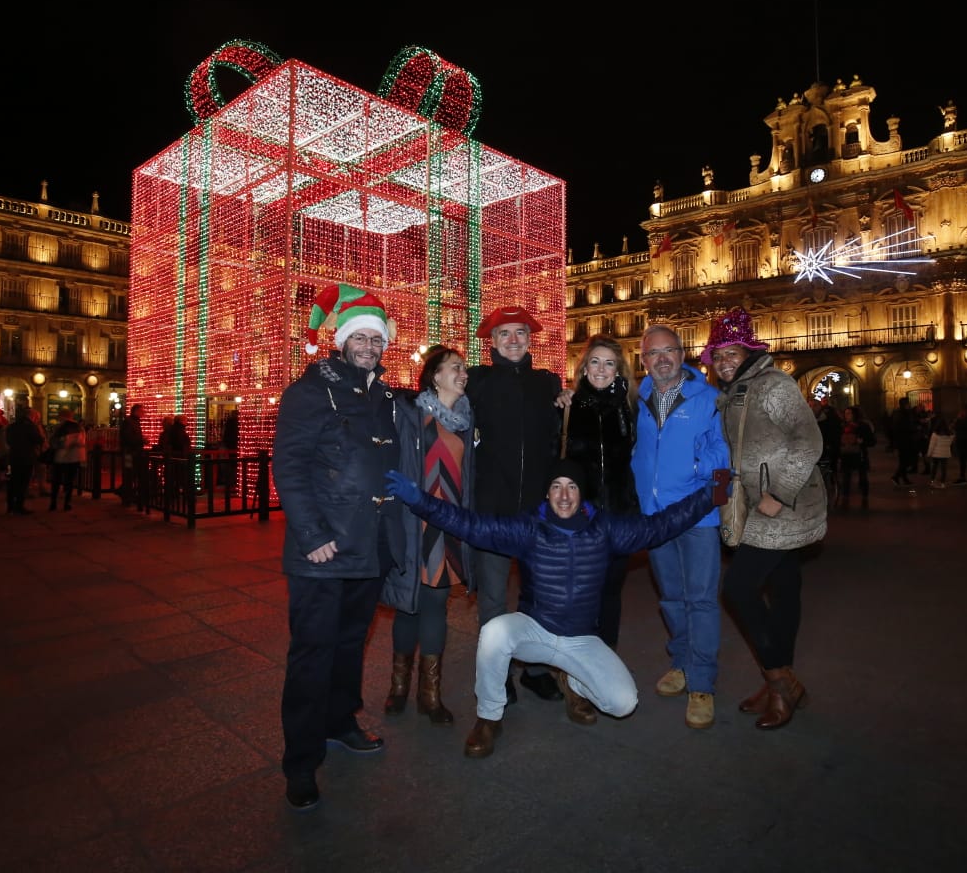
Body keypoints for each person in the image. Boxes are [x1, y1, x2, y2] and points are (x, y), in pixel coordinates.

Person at [383, 457, 726, 757]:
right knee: (494, 631)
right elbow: (471, 525)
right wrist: (420, 500)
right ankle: (489, 717)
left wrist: (709, 495)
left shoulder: (605, 529)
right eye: (556, 487)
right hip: (537, 630)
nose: (564, 495)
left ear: (582, 494)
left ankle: (573, 682)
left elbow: (660, 525)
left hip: (581, 639)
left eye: (572, 487)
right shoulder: (529, 528)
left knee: (624, 704)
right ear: (546, 493)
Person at [274, 282, 405, 814]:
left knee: (351, 643)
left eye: (377, 339)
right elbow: (290, 465)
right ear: (343, 339)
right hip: (324, 551)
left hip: (369, 547)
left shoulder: (386, 396)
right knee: (312, 655)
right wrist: (312, 536)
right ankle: (301, 763)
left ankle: (339, 721)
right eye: (361, 337)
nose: (370, 346)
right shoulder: (309, 390)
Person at [702, 308, 826, 730]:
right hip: (757, 502)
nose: (722, 363)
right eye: (717, 356)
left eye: (731, 354)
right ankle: (780, 685)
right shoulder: (731, 393)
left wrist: (778, 493)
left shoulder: (774, 386)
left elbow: (809, 440)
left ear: (749, 354)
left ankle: (779, 680)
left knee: (737, 588)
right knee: (785, 590)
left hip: (780, 506)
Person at [464, 305, 571, 706]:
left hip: (535, 510)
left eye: (520, 333)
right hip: (492, 506)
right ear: (491, 342)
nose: (513, 340)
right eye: (504, 334)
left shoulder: (547, 383)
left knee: (538, 594)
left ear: (530, 339)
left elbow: (558, 437)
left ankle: (537, 670)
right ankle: (498, 671)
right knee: (493, 596)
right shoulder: (477, 380)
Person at [632, 323, 730, 729]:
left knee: (701, 599)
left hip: (696, 515)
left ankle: (702, 682)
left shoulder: (708, 399)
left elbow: (724, 452)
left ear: (682, 353)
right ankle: (683, 663)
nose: (662, 359)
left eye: (668, 350)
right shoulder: (638, 398)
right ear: (643, 361)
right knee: (671, 597)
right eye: (653, 354)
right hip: (656, 518)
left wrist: (693, 466)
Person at [380, 345, 475, 726]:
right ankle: (398, 687)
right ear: (435, 376)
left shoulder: (468, 420)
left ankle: (429, 695)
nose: (463, 373)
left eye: (464, 368)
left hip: (447, 524)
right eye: (455, 367)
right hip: (412, 523)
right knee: (408, 606)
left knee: (436, 606)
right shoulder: (411, 414)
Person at [562, 334, 640, 649]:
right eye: (595, 361)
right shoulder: (567, 406)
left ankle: (606, 660)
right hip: (581, 519)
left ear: (619, 371)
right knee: (581, 593)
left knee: (610, 592)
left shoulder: (630, 408)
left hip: (619, 516)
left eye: (609, 363)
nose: (601, 369)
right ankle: (578, 663)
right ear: (583, 368)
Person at [5, 408, 46, 515]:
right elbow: (39, 440)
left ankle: (10, 506)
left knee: (13, 481)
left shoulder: (13, 426)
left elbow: (8, 440)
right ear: (32, 416)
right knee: (23, 482)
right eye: (37, 417)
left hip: (14, 456)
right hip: (26, 457)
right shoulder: (30, 427)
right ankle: (19, 506)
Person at [835, 405, 876, 509]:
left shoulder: (862, 426)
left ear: (855, 415)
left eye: (849, 413)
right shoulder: (842, 426)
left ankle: (864, 498)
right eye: (845, 413)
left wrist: (862, 442)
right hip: (846, 455)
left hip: (859, 455)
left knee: (863, 478)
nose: (847, 415)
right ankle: (845, 500)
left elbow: (872, 441)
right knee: (846, 478)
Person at [48, 408, 86, 511]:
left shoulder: (58, 427)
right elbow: (82, 442)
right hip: (74, 457)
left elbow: (53, 442)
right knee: (69, 481)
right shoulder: (78, 427)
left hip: (60, 457)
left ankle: (53, 502)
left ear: (61, 416)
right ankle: (67, 503)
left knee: (56, 481)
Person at [119, 403, 146, 509]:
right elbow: (128, 438)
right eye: (142, 411)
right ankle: (126, 496)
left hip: (132, 453)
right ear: (136, 411)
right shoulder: (129, 422)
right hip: (129, 453)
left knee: (131, 474)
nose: (143, 413)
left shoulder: (133, 422)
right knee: (129, 474)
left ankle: (126, 495)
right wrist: (141, 440)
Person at [926, 413, 955, 488]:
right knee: (943, 469)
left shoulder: (935, 434)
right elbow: (950, 443)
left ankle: (932, 481)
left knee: (934, 468)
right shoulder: (950, 434)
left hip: (936, 454)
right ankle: (942, 483)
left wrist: (928, 454)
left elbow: (931, 446)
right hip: (945, 454)